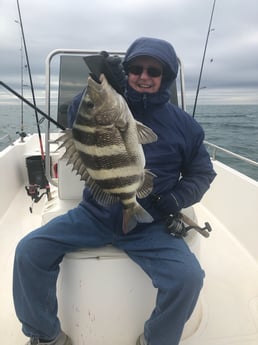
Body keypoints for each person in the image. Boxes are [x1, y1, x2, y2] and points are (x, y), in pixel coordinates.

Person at [13, 37, 216, 345]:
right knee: (29, 251)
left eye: (154, 71)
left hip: (152, 221)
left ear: (166, 78)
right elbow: (80, 114)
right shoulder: (105, 104)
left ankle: (157, 339)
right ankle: (45, 335)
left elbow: (202, 172)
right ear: (126, 72)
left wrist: (173, 200)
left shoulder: (185, 125)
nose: (144, 76)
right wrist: (99, 80)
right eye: (136, 69)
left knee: (188, 278)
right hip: (94, 214)